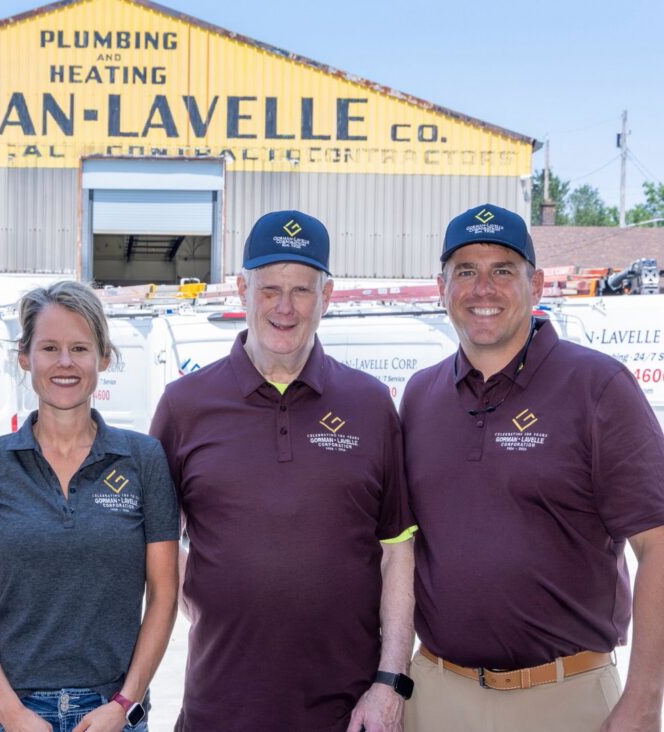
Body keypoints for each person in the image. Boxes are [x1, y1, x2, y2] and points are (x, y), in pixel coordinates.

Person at [150, 210, 417, 732]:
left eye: (302, 290)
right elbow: (155, 546)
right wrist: (212, 603)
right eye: (270, 288)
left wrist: (390, 683)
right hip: (219, 707)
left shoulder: (369, 404)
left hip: (349, 711)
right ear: (242, 288)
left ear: (328, 295)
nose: (285, 307)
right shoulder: (185, 406)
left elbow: (398, 550)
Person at [401, 203, 664, 731]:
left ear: (537, 284)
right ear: (441, 286)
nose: (483, 289)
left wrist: (643, 701)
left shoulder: (598, 388)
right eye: (466, 272)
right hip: (435, 695)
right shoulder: (420, 396)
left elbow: (657, 546)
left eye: (503, 270)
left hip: (565, 698)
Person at [0, 280, 179, 732]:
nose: (66, 363)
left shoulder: (144, 459)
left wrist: (124, 705)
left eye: (80, 347)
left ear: (104, 358)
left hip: (111, 712)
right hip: (9, 710)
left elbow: (164, 597)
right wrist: (12, 714)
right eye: (49, 347)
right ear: (24, 358)